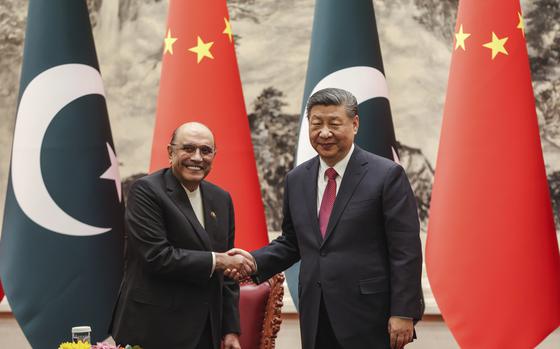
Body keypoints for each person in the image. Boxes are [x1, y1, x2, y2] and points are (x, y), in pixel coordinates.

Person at [229, 88, 423, 349]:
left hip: (369, 316)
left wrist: (403, 311)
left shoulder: (386, 175)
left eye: (334, 123)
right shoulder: (296, 179)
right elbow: (292, 242)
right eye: (316, 123)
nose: (324, 133)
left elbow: (405, 250)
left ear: (355, 124)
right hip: (316, 312)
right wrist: (252, 261)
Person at [110, 122, 255, 349]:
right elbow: (157, 256)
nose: (197, 157)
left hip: (206, 331)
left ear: (214, 155)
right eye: (188, 149)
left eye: (205, 151)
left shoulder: (221, 199)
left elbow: (227, 276)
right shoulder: (146, 191)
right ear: (171, 152)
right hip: (155, 330)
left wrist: (230, 329)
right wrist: (219, 260)